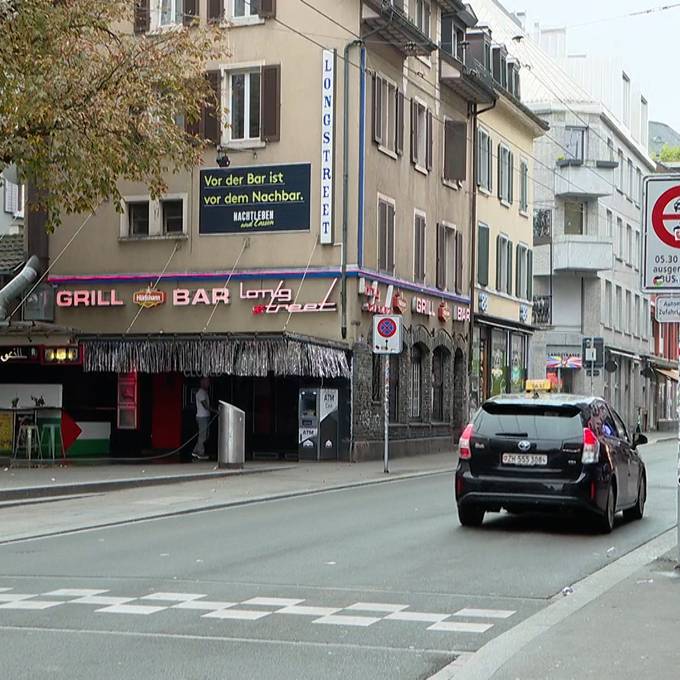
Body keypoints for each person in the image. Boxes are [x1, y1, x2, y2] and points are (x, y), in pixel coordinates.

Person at [192, 378, 212, 461]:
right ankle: (200, 453)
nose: (208, 384)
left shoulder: (204, 392)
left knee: (205, 435)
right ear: (202, 383)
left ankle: (195, 451)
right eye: (207, 382)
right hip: (202, 417)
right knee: (202, 436)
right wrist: (216, 410)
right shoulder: (201, 393)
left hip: (205, 416)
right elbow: (205, 406)